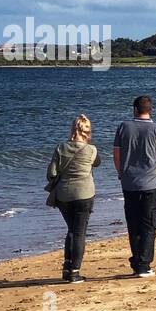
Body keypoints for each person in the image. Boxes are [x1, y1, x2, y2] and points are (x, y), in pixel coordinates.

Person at [114, 95, 156, 278]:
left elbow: (117, 154)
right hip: (150, 185)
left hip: (129, 184)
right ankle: (143, 265)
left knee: (133, 224)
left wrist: (121, 173)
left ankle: (138, 262)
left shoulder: (123, 127)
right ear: (150, 110)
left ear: (135, 109)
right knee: (149, 224)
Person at [46, 114, 101, 283]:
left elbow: (51, 174)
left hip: (63, 195)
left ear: (72, 129)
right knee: (79, 233)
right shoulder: (91, 150)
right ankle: (74, 272)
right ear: (88, 131)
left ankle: (67, 267)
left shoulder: (60, 148)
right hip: (84, 194)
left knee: (71, 230)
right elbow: (97, 163)